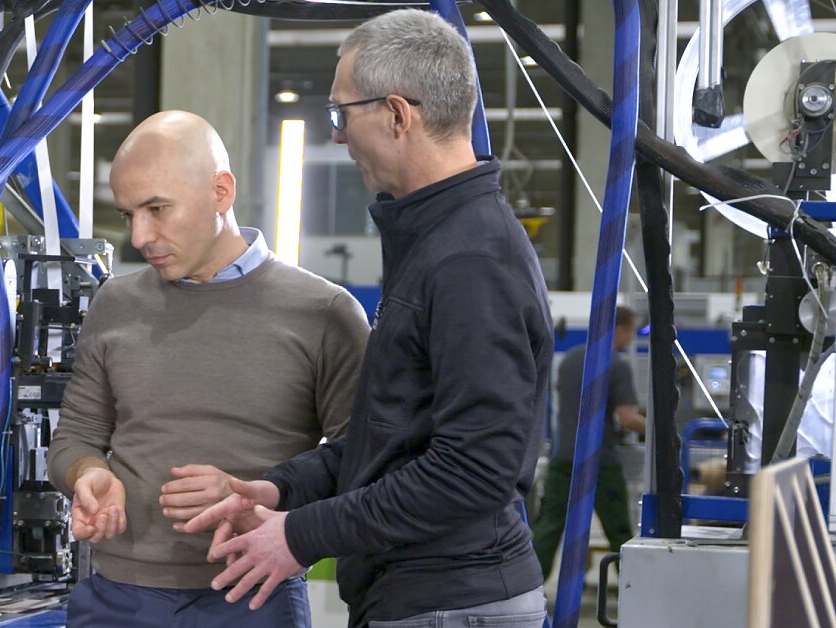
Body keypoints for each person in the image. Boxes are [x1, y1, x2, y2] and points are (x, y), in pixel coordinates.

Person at [184, 9, 554, 626]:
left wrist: (301, 535)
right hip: (421, 597)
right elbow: (392, 440)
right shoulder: (436, 242)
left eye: (341, 114)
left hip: (450, 604)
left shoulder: (469, 260)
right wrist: (279, 490)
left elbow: (472, 472)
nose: (336, 135)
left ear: (397, 115)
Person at [47, 110, 371, 626]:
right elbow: (76, 435)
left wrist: (263, 501)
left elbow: (365, 460)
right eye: (129, 213)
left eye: (157, 209)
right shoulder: (117, 302)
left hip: (252, 596)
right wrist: (88, 473)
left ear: (221, 191)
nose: (140, 235)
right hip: (117, 597)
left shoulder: (323, 313)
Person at [532, 307, 646, 578]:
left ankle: (529, 589)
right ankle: (635, 593)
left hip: (564, 457)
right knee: (619, 531)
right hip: (600, 462)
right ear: (620, 329)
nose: (631, 337)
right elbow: (627, 418)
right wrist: (662, 430)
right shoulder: (617, 364)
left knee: (548, 528)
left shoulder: (569, 359)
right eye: (632, 330)